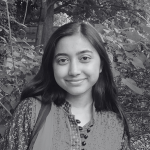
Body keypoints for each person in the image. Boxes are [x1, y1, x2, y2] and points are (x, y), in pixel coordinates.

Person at [1, 22, 131, 150]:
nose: (74, 71)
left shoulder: (115, 122)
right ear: (52, 66)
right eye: (63, 60)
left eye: (84, 58)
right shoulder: (31, 110)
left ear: (101, 65)